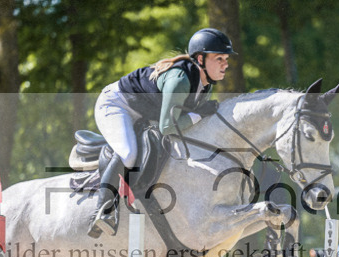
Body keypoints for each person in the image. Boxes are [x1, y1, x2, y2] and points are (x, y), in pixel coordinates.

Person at [89, 27, 234, 237]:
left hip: (142, 111)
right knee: (128, 154)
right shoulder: (181, 80)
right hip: (116, 105)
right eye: (219, 58)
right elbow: (167, 127)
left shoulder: (205, 84)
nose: (225, 64)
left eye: (226, 59)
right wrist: (199, 115)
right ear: (200, 59)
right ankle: (103, 211)